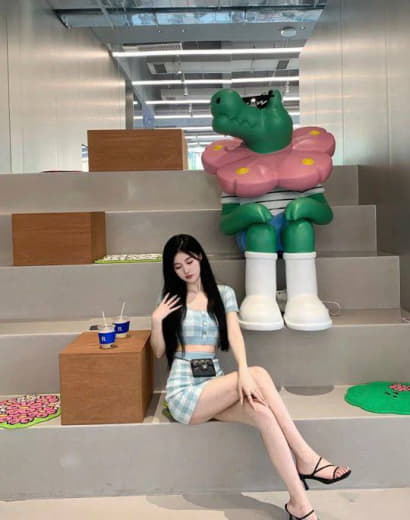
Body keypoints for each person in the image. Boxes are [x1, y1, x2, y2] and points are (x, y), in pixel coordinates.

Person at [150, 234, 351, 520]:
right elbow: (159, 352)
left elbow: (234, 334)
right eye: (178, 266)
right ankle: (306, 457)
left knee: (263, 414)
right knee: (259, 374)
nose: (186, 270)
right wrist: (156, 321)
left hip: (214, 384)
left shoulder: (223, 294)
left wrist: (242, 371)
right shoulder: (170, 300)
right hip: (185, 392)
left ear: (200, 257)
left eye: (189, 261)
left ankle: (300, 504)